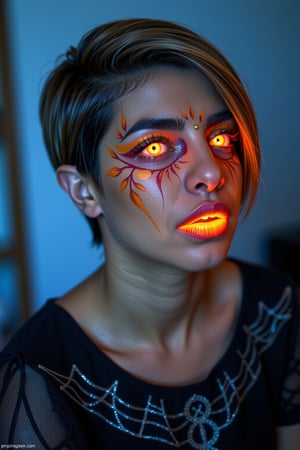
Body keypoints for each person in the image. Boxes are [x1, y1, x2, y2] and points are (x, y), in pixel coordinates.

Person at [0, 18, 299, 450]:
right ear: (84, 191)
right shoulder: (33, 380)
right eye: (155, 147)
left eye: (221, 137)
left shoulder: (276, 307)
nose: (212, 173)